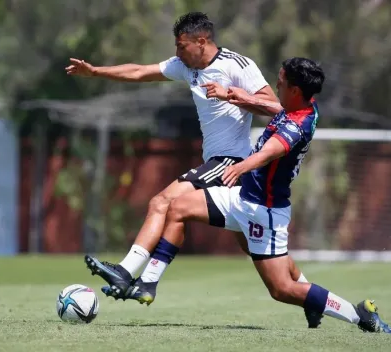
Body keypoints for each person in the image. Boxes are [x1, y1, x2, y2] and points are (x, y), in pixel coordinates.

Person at [93, 57, 391, 333]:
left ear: (295, 90)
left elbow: (268, 152)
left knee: (281, 290)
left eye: (281, 80)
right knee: (177, 208)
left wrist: (241, 168)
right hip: (242, 198)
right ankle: (148, 284)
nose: (276, 83)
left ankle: (360, 316)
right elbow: (270, 109)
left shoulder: (296, 126)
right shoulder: (304, 107)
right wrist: (234, 96)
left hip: (263, 211)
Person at [68, 12, 321, 327]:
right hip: (219, 165)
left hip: (231, 162)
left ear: (202, 42)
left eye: (181, 46)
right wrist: (95, 72)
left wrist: (234, 96)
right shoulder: (186, 66)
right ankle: (311, 299)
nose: (177, 53)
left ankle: (127, 273)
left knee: (162, 201)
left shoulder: (237, 66)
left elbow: (279, 109)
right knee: (260, 250)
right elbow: (138, 71)